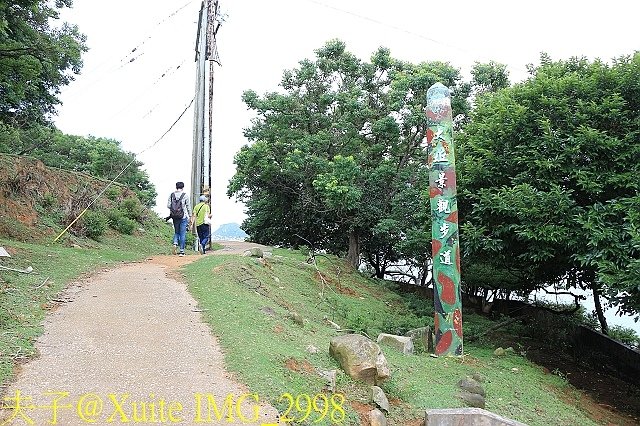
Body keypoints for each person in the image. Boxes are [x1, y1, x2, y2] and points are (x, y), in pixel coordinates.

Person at [167, 181, 192, 256]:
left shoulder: (172, 195)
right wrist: (190, 216)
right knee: (183, 234)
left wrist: (174, 209)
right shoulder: (185, 195)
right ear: (183, 187)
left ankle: (175, 243)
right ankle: (181, 251)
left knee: (176, 232)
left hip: (175, 217)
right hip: (183, 217)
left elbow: (168, 205)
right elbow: (188, 206)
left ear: (176, 187)